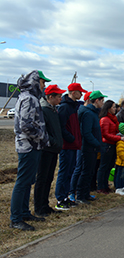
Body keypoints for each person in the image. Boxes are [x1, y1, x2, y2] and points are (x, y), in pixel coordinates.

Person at [10, 70, 50, 231]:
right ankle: (16, 218)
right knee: (22, 182)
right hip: (28, 146)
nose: (44, 86)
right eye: (42, 82)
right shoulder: (29, 99)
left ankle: (25, 212)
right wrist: (42, 137)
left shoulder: (31, 98)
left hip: (33, 146)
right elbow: (25, 125)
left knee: (28, 182)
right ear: (34, 82)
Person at [34, 84, 65, 217]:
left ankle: (45, 204)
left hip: (54, 149)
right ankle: (39, 207)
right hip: (46, 149)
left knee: (49, 178)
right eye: (58, 96)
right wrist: (53, 141)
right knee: (42, 178)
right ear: (50, 97)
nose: (60, 99)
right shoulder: (44, 110)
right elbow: (44, 131)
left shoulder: (53, 110)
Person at [56, 82, 87, 210]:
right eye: (80, 92)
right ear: (73, 93)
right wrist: (71, 138)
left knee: (70, 171)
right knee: (64, 172)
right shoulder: (64, 107)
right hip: (67, 145)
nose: (81, 94)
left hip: (74, 145)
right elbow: (62, 127)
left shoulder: (74, 106)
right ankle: (60, 198)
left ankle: (66, 196)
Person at [77, 91, 106, 205]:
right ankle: (80, 195)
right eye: (102, 101)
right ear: (96, 100)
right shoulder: (88, 113)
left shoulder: (94, 113)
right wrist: (97, 143)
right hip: (88, 147)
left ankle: (86, 193)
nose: (103, 103)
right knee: (85, 171)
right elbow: (86, 132)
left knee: (90, 172)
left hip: (93, 147)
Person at [96, 100, 121, 194]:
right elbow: (105, 134)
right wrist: (118, 138)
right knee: (104, 166)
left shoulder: (113, 119)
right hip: (106, 145)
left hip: (113, 144)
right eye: (114, 107)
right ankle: (101, 186)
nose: (115, 109)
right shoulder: (105, 119)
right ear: (108, 108)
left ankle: (106, 185)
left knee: (109, 166)